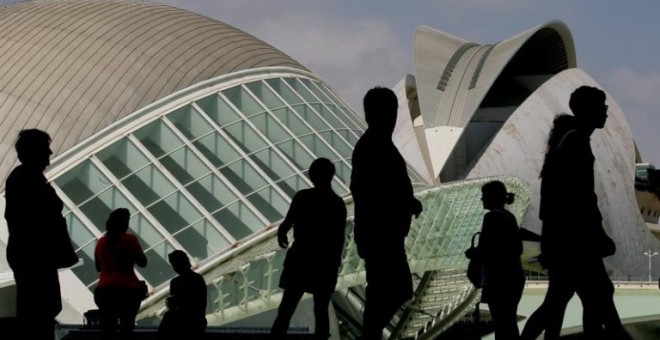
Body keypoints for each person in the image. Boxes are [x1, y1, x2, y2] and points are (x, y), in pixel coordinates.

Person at [520, 86, 631, 340]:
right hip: (577, 242)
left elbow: (553, 198)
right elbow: (580, 197)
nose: (606, 111)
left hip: (564, 241)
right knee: (599, 296)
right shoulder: (576, 142)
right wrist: (598, 234)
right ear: (587, 110)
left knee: (562, 302)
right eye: (601, 106)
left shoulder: (566, 139)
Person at [350, 87, 423, 340]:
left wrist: (407, 201)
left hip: (382, 235)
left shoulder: (376, 144)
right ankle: (369, 335)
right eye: (390, 111)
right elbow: (369, 190)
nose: (393, 117)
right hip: (381, 235)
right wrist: (405, 202)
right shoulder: (373, 145)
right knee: (392, 290)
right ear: (375, 114)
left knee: (385, 291)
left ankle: (370, 334)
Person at [5, 128, 78, 339]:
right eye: (46, 148)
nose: (51, 153)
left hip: (33, 255)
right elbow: (33, 218)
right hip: (36, 256)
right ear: (35, 152)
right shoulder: (27, 179)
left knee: (40, 307)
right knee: (40, 308)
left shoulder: (24, 178)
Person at [270, 158, 347, 340]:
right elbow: (339, 239)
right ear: (331, 176)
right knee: (321, 311)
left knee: (286, 309)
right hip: (325, 264)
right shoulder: (337, 204)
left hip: (301, 259)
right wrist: (334, 263)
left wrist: (282, 234)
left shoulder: (303, 197)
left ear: (313, 175)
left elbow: (286, 224)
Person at [476, 180, 525, 340]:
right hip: (514, 277)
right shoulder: (510, 217)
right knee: (509, 323)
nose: (482, 200)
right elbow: (518, 249)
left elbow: (484, 249)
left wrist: (472, 254)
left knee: (501, 324)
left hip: (497, 280)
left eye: (484, 196)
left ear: (491, 197)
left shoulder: (490, 217)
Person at [94, 208, 148, 339]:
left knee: (108, 329)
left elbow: (98, 268)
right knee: (127, 329)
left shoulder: (101, 242)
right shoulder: (130, 240)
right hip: (128, 291)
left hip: (104, 291)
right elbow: (143, 262)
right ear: (125, 223)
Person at [157, 250, 207, 340]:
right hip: (197, 321)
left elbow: (174, 307)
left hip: (182, 321)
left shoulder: (175, 282)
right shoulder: (198, 278)